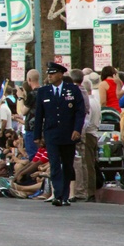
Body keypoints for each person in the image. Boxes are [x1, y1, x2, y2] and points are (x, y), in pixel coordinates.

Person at [33, 62, 86, 207]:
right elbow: (39, 115)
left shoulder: (72, 90)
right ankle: (57, 194)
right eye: (48, 74)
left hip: (68, 133)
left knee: (67, 165)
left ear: (60, 74)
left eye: (52, 73)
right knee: (55, 164)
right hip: (51, 133)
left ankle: (65, 195)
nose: (49, 76)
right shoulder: (44, 91)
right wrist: (37, 135)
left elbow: (80, 112)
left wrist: (77, 129)